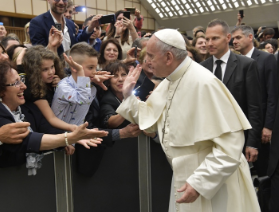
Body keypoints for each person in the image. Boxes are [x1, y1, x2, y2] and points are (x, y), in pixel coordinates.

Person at [116, 28, 259, 212]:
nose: (147, 62)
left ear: (168, 57)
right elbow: (150, 120)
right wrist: (128, 95)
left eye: (151, 56)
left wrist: (200, 182)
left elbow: (231, 145)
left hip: (212, 181)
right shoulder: (170, 80)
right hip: (185, 176)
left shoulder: (203, 82)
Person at [0, 60, 108, 171]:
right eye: (16, 83)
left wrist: (69, 137)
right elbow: (27, 140)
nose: (24, 86)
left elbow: (45, 127)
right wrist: (68, 138)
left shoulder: (25, 108)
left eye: (21, 80)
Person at [201, 19, 263, 164]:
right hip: (209, 138)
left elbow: (254, 106)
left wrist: (252, 142)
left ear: (228, 38)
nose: (209, 43)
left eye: (215, 38)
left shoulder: (246, 65)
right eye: (207, 39)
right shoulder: (201, 68)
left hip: (238, 137)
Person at [231, 25, 278, 177]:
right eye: (233, 38)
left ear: (250, 37)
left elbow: (272, 94)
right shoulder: (234, 62)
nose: (234, 41)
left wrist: (268, 126)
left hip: (262, 125)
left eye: (238, 37)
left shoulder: (266, 59)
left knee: (264, 172)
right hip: (241, 126)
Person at [29, 0, 100, 55]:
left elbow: (76, 45)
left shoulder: (70, 23)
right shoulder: (37, 23)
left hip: (71, 70)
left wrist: (90, 27)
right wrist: (51, 47)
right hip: (53, 71)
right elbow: (37, 54)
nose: (61, 2)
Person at [51, 42, 98, 125]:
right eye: (90, 68)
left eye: (95, 68)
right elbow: (82, 98)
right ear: (74, 68)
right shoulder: (63, 87)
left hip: (76, 133)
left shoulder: (92, 88)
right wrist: (81, 71)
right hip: (58, 133)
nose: (95, 72)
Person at [99, 61, 130, 129]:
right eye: (115, 76)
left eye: (123, 74)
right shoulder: (108, 99)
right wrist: (129, 107)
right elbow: (110, 122)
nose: (120, 79)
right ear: (108, 82)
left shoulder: (135, 92)